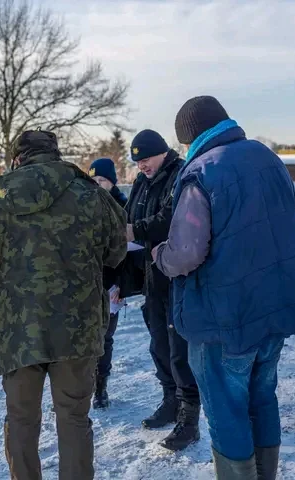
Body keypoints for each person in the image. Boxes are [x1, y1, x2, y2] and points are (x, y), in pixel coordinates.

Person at [153, 96, 295, 479]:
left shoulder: (202, 171)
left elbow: (186, 253)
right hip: (274, 307)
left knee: (227, 408)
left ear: (189, 137)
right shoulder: (267, 158)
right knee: (262, 397)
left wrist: (159, 255)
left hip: (224, 317)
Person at [0, 130, 127, 480]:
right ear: (55, 154)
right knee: (74, 418)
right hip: (78, 328)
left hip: (16, 329)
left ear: (17, 159)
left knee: (20, 420)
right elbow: (117, 251)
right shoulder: (92, 194)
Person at [123, 129, 201, 451]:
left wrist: (134, 229)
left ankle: (189, 419)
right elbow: (130, 215)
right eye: (138, 161)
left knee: (179, 350)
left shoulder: (179, 174)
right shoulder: (143, 182)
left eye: (146, 159)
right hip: (151, 277)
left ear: (162, 153)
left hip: (177, 278)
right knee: (159, 344)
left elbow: (171, 219)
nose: (142, 165)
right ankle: (170, 400)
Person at [88, 157, 128, 408]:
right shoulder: (82, 206)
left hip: (111, 285)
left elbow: (128, 252)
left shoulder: (122, 207)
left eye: (101, 180)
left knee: (104, 339)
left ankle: (100, 387)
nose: (97, 185)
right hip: (86, 286)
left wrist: (123, 285)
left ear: (111, 182)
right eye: (92, 180)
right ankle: (79, 389)